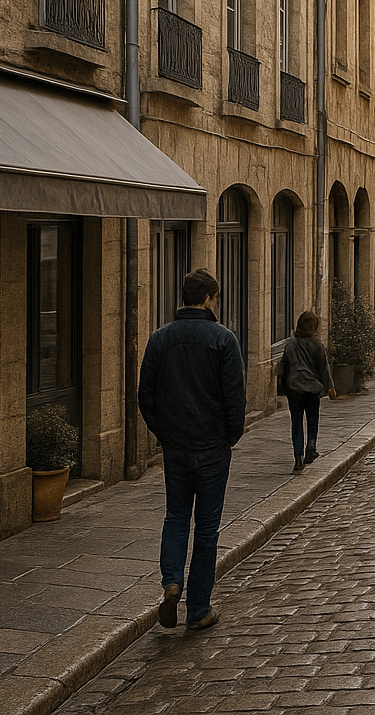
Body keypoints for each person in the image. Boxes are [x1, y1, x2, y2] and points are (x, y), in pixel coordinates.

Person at [139, 268, 246, 633]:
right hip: (213, 447)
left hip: (177, 448)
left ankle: (172, 582)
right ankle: (198, 608)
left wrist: (164, 433)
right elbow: (235, 398)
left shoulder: (160, 339)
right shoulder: (223, 339)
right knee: (207, 528)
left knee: (176, 516)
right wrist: (230, 437)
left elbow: (145, 395)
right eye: (216, 298)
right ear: (208, 299)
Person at [278, 310, 337, 474]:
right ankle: (311, 444)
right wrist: (330, 387)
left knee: (296, 423)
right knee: (312, 419)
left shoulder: (291, 343)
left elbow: (284, 366)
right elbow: (323, 369)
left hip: (294, 388)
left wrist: (284, 388)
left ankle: (298, 458)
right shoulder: (317, 345)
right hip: (312, 388)